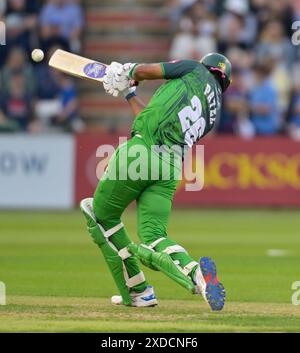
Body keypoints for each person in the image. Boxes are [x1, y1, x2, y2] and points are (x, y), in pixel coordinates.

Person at [80, 53, 232, 311]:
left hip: (142, 153)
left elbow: (151, 70)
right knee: (155, 235)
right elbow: (150, 113)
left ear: (207, 66)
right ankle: (196, 273)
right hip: (170, 168)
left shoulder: (194, 69)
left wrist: (129, 72)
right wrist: (128, 92)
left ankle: (139, 290)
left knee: (97, 214)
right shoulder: (212, 113)